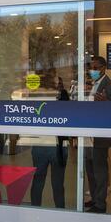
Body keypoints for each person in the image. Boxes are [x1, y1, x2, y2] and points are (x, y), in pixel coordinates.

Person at [85, 56, 111, 213]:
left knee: (100, 170)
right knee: (90, 168)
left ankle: (100, 204)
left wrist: (106, 102)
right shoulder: (93, 84)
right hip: (90, 133)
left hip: (101, 134)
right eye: (91, 67)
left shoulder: (110, 85)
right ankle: (94, 198)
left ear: (104, 68)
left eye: (96, 67)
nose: (93, 70)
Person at [30, 76, 69, 208]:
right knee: (43, 180)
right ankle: (56, 210)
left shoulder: (61, 96)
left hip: (56, 146)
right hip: (44, 145)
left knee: (51, 182)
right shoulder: (39, 97)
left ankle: (58, 210)